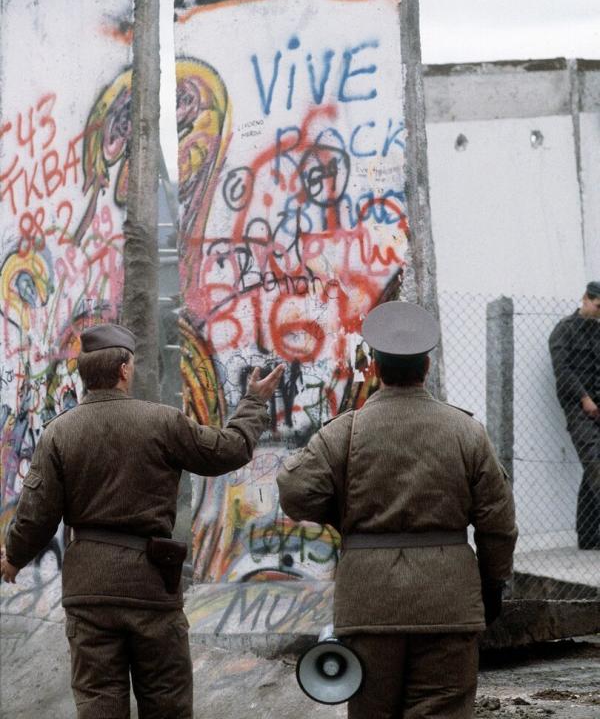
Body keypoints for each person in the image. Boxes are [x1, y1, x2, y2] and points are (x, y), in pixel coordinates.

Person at [1, 323, 284, 719]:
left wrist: (13, 558)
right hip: (151, 587)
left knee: (99, 701)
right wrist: (253, 403)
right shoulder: (163, 422)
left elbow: (36, 515)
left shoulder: (58, 434)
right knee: (166, 700)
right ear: (123, 370)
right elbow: (227, 451)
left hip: (89, 592)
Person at [277, 301, 517, 719]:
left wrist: (344, 511)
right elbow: (498, 522)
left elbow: (296, 492)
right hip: (449, 603)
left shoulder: (345, 432)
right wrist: (493, 584)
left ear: (374, 367)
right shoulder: (467, 432)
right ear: (426, 366)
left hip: (369, 606)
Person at [549, 281, 600, 550]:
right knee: (595, 463)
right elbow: (563, 371)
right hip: (579, 409)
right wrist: (585, 399)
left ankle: (589, 535)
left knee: (593, 468)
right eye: (598, 306)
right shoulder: (564, 331)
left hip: (598, 405)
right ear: (585, 298)